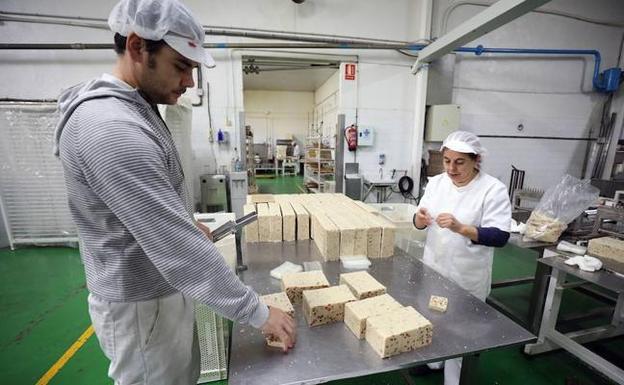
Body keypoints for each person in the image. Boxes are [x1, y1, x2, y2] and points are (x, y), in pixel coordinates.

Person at [53, 0, 295, 383]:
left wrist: (183, 222)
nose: (190, 82)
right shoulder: (111, 128)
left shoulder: (136, 109)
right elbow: (177, 250)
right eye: (181, 67)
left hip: (159, 291)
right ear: (137, 48)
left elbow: (147, 211)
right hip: (141, 306)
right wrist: (259, 313)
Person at [413, 131, 511, 385]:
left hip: (467, 271)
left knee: (461, 327)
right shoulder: (436, 183)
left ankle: (453, 379)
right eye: (447, 161)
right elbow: (418, 219)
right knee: (432, 314)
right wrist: (419, 220)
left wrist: (462, 228)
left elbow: (500, 236)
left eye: (459, 162)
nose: (451, 168)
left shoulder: (492, 189)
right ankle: (433, 361)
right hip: (435, 264)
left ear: (475, 160)